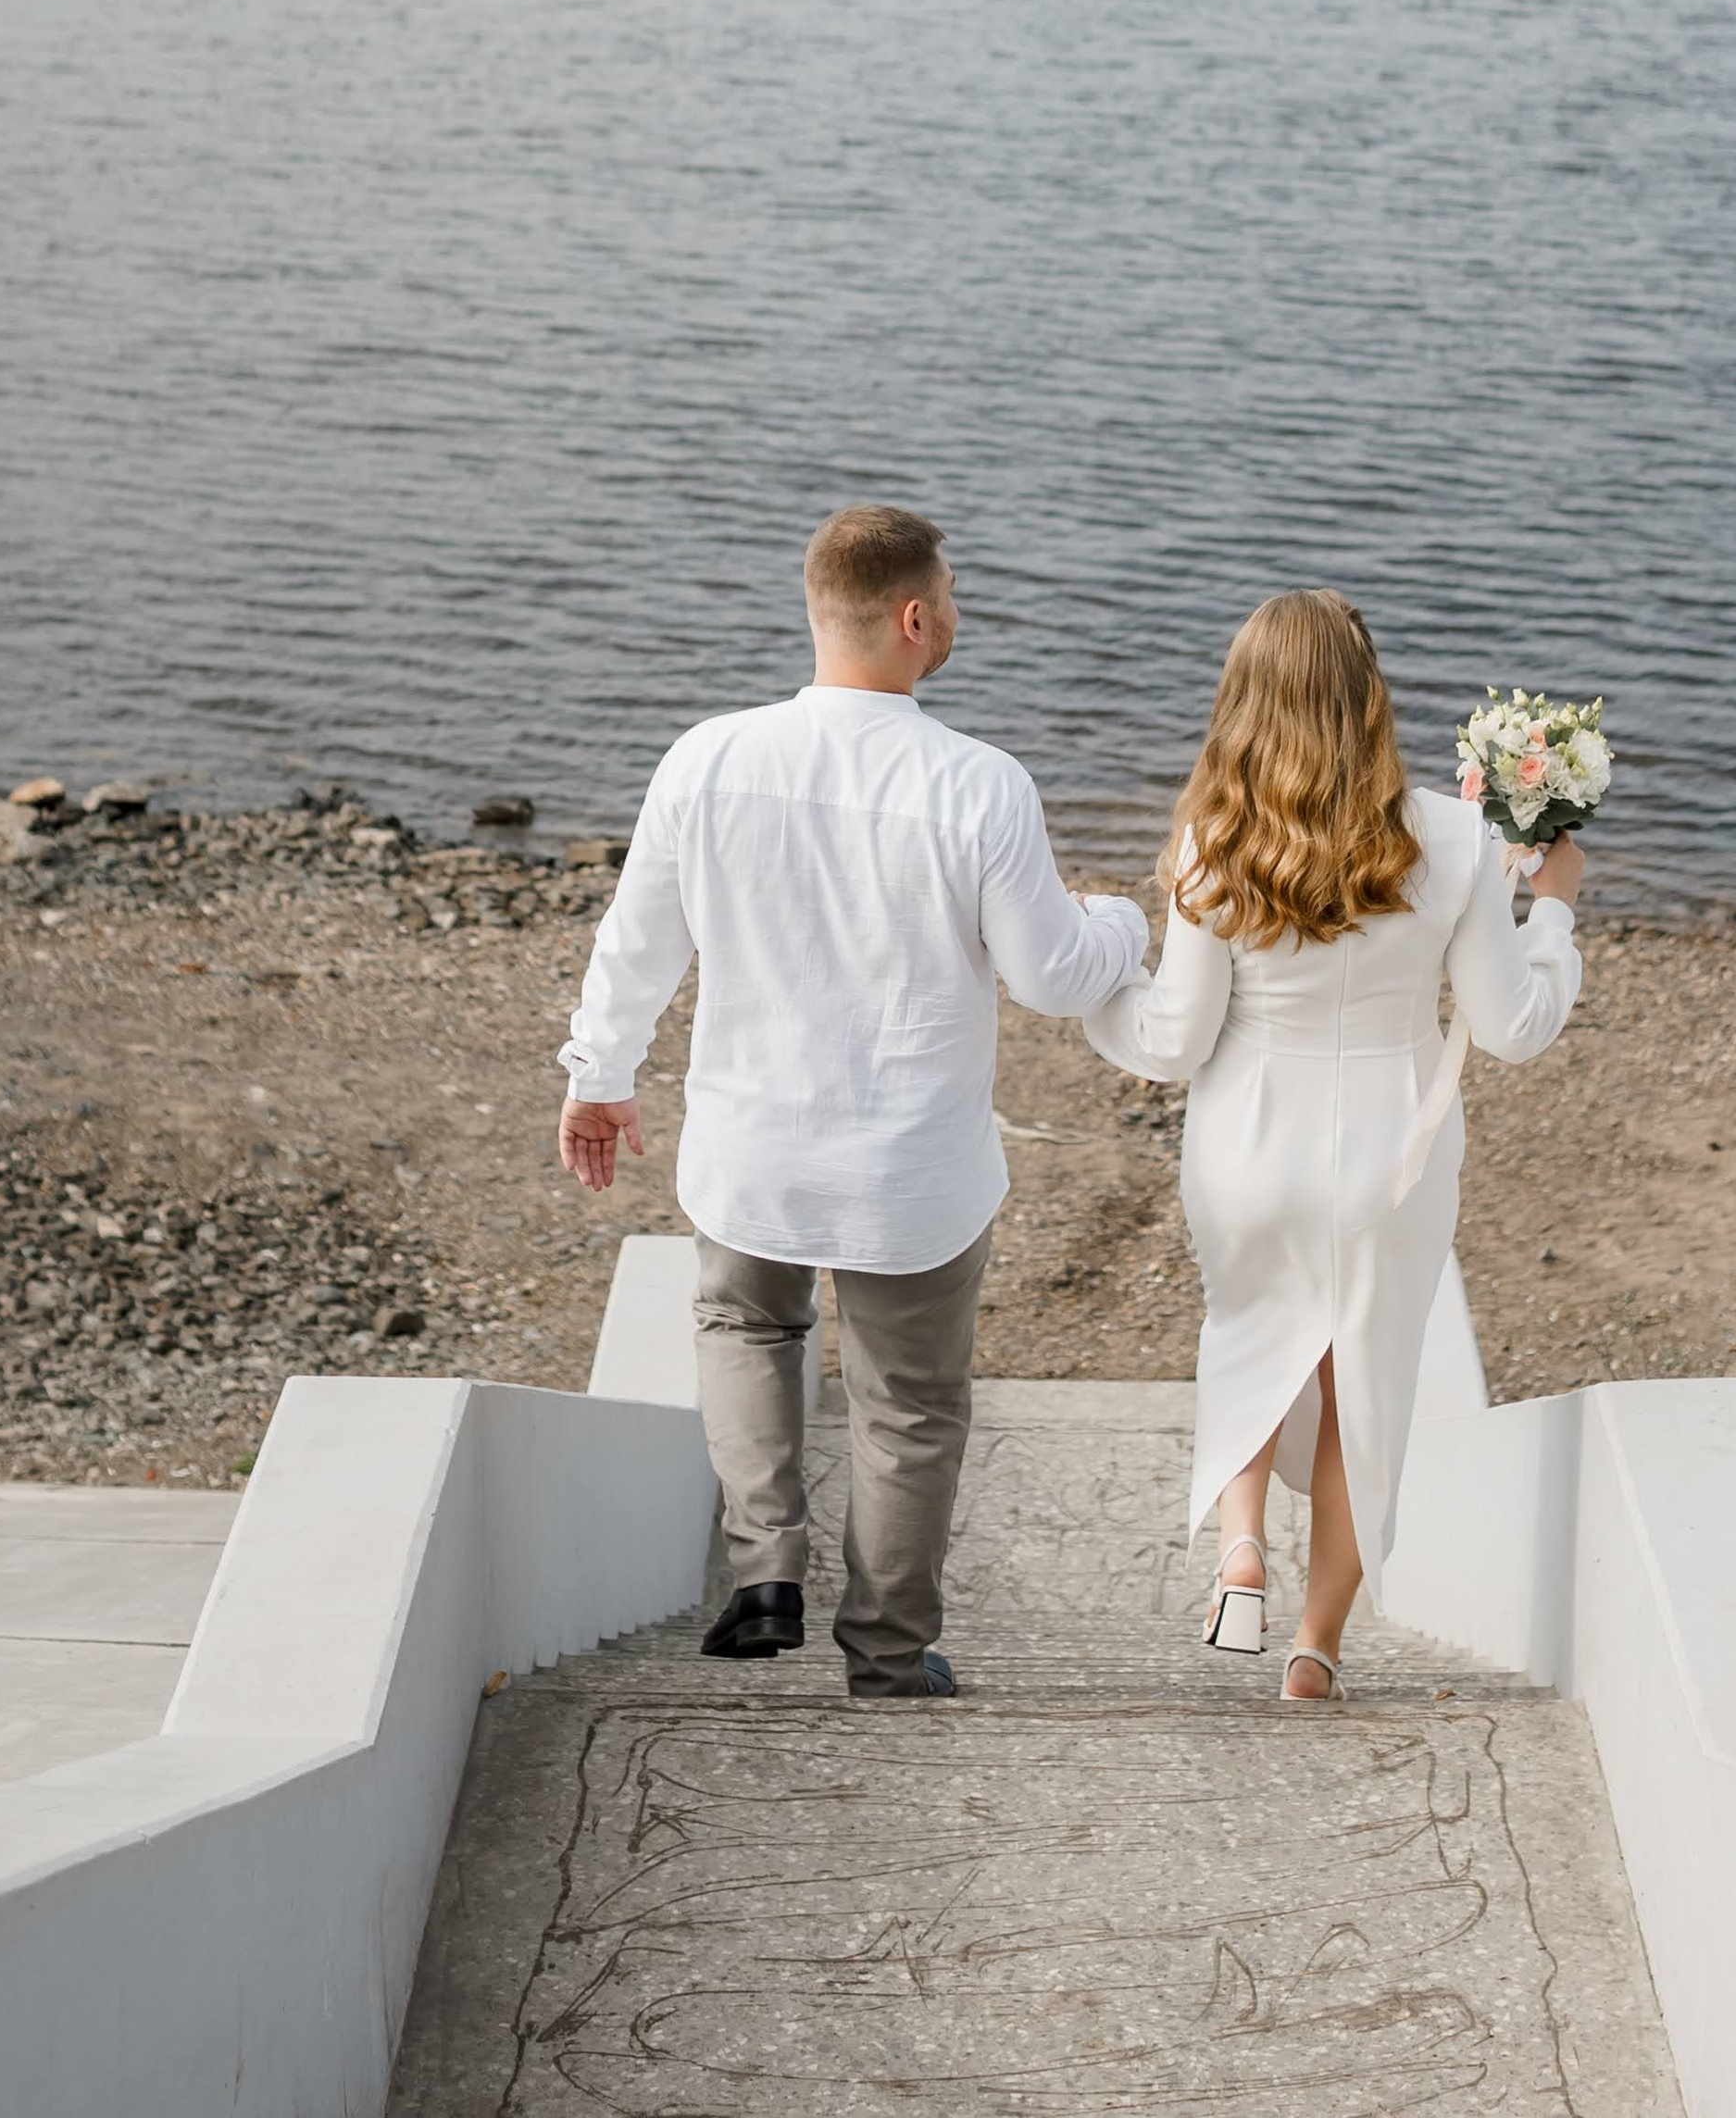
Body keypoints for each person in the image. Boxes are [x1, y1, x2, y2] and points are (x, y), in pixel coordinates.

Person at [556, 505, 1147, 1700]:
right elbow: (1052, 976)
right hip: (910, 1173)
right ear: (915, 618)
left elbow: (638, 945)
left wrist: (599, 1076)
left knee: (743, 1329)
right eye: (954, 597)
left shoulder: (708, 759)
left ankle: (765, 1564)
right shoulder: (983, 787)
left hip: (753, 1149)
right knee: (911, 1403)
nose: (960, 615)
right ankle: (884, 1648)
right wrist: (1128, 928)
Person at [1083, 591, 1581, 1701]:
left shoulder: (1213, 836)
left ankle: (1241, 1552)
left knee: (1253, 1334)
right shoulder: (1454, 836)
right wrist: (1550, 914)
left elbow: (1171, 1042)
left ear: (1244, 700)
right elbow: (1512, 1031)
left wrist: (1092, 996)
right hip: (1391, 1155)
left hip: (1248, 1145)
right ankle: (1315, 1649)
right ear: (1370, 698)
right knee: (1366, 1385)